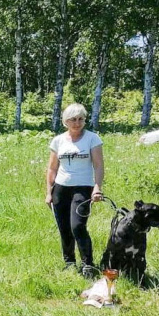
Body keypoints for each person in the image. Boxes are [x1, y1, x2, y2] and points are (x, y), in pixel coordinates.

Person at [45, 103, 104, 278]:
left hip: (83, 188)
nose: (77, 123)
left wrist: (97, 188)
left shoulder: (92, 139)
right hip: (61, 189)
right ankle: (69, 263)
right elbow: (51, 169)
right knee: (64, 228)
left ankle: (88, 264)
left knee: (77, 226)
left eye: (80, 119)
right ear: (65, 122)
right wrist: (49, 192)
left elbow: (99, 166)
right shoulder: (58, 140)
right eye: (73, 120)